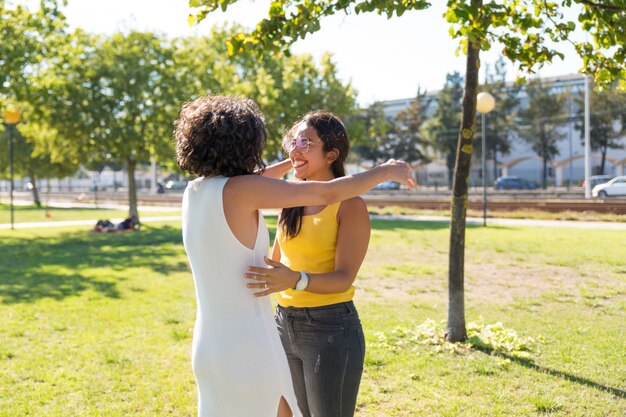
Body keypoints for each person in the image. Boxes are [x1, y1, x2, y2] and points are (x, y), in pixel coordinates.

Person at [174, 95, 415, 417]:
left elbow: (259, 180)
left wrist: (296, 158)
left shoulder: (196, 191)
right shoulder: (243, 190)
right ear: (244, 143)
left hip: (210, 345)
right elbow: (327, 192)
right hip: (249, 344)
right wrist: (385, 171)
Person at [245, 112, 373, 417]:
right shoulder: (290, 201)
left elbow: (343, 278)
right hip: (282, 323)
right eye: (293, 141)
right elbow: (275, 262)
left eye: (306, 142)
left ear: (331, 155)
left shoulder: (351, 205)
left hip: (330, 327)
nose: (295, 148)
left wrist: (295, 280)